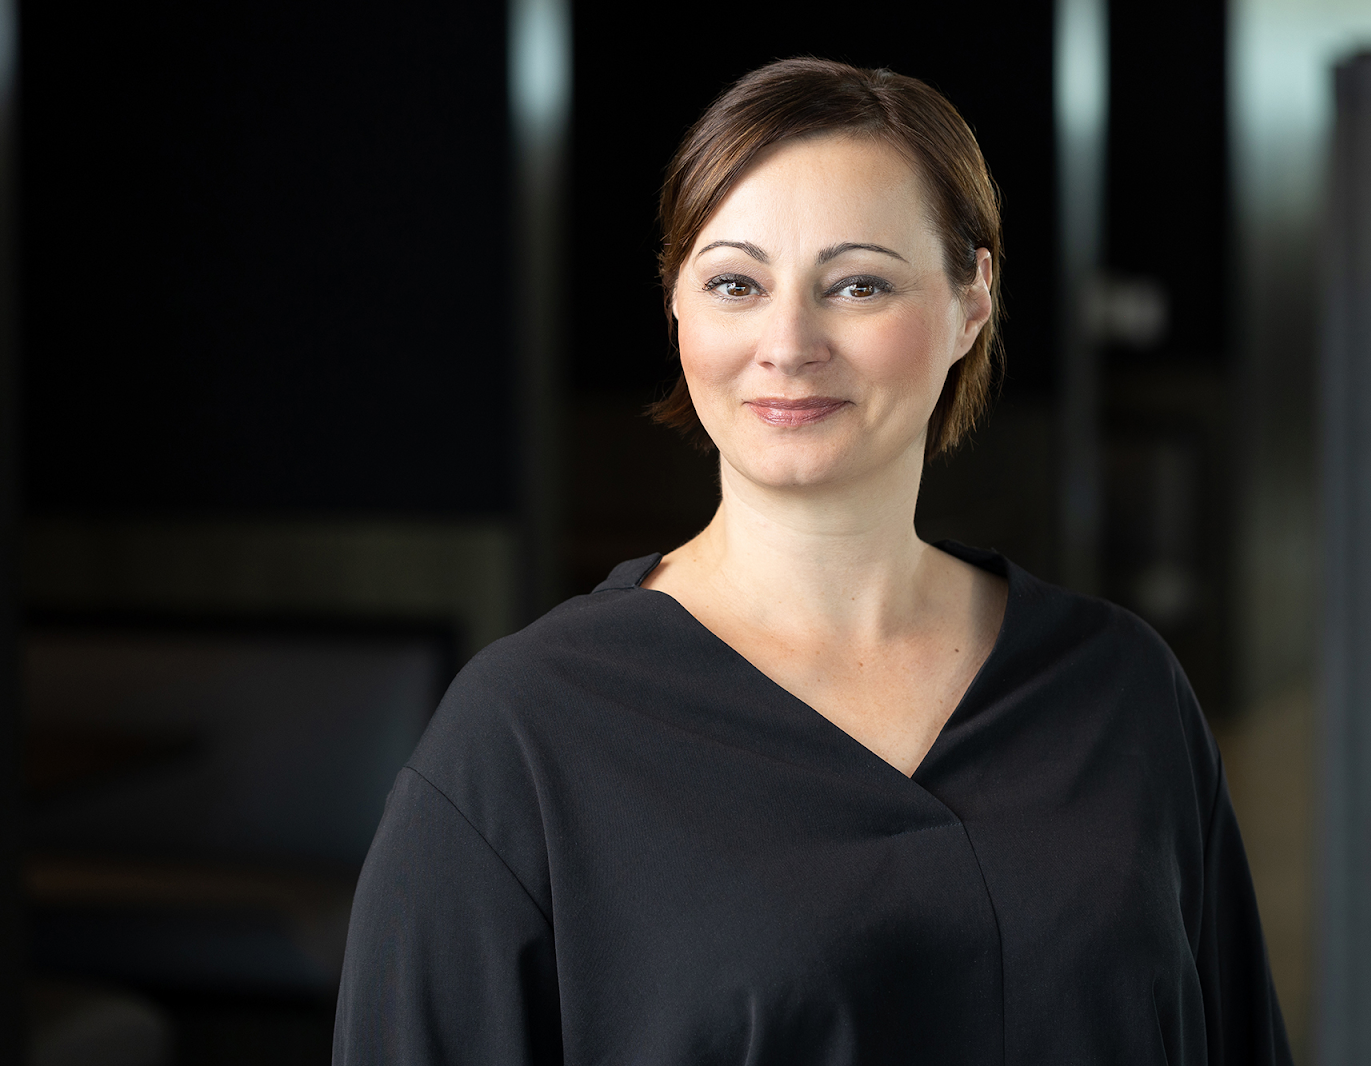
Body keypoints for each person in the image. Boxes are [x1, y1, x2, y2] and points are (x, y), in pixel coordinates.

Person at [333, 57, 1292, 1065]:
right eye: (735, 283)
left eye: (859, 283)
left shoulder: (1119, 691)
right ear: (677, 307)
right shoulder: (522, 736)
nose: (787, 342)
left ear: (973, 300)